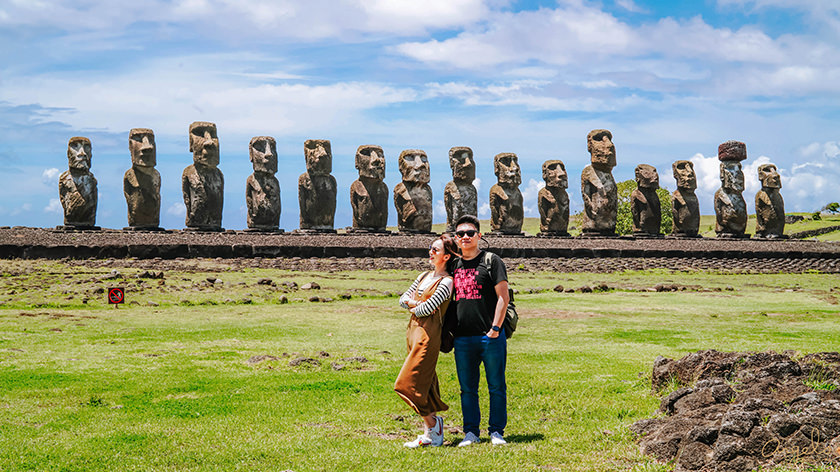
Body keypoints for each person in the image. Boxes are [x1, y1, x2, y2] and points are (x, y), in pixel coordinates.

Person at [395, 234, 460, 448]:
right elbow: (402, 299)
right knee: (427, 383)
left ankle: (434, 423)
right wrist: (414, 303)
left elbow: (426, 308)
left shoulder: (447, 282)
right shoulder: (424, 275)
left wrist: (413, 303)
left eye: (436, 250)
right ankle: (430, 434)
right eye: (430, 248)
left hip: (428, 335)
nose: (431, 252)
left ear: (447, 256)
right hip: (412, 331)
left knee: (407, 384)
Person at [451, 215, 510, 446]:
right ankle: (471, 432)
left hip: (490, 336)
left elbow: (502, 297)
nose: (465, 237)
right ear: (456, 239)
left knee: (496, 385)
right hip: (463, 337)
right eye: (461, 234)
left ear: (479, 236)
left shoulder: (491, 261)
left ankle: (496, 431)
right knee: (467, 389)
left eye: (470, 233)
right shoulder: (453, 265)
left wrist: (495, 328)